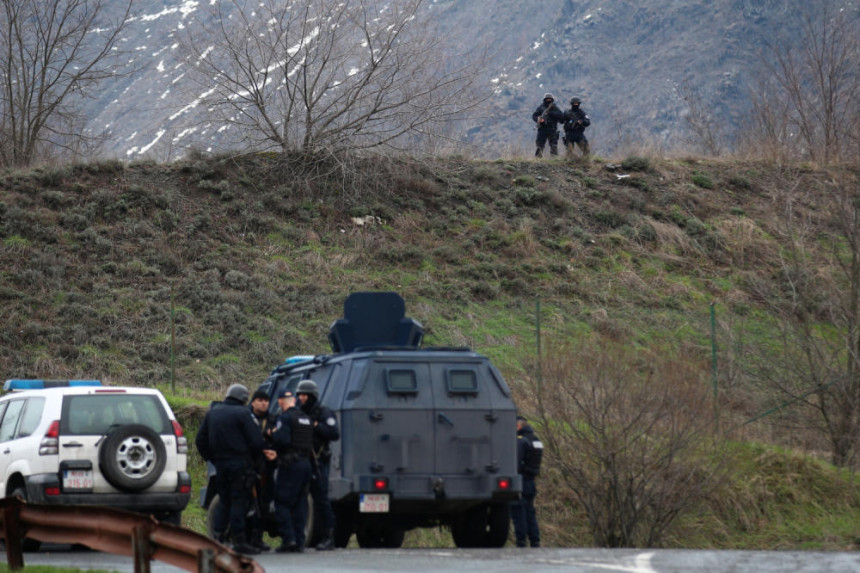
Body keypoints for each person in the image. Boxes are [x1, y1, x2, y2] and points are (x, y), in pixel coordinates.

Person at [195, 384, 266, 555]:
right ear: (243, 398)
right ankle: (239, 540)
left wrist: (212, 458)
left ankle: (218, 538)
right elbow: (257, 442)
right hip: (240, 466)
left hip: (220, 465)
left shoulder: (212, 413)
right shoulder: (243, 413)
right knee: (238, 502)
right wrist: (255, 461)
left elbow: (200, 440)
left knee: (224, 502)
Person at [296, 380, 340, 551]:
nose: (302, 398)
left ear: (312, 396)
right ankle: (298, 537)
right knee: (299, 499)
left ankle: (328, 537)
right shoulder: (298, 413)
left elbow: (334, 433)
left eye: (305, 395)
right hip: (300, 461)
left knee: (322, 500)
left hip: (317, 461)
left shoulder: (323, 413)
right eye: (300, 395)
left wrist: (316, 425)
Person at [270, 388, 314, 553]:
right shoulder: (306, 418)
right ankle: (300, 541)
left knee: (282, 502)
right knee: (300, 503)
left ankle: (289, 540)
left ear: (281, 401)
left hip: (290, 465)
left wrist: (272, 433)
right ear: (294, 401)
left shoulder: (285, 418)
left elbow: (282, 440)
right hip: (306, 465)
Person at [246, 389, 275, 552]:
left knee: (263, 505)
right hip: (250, 466)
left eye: (266, 400)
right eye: (260, 400)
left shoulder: (272, 419)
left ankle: (257, 538)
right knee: (249, 503)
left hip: (267, 468)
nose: (264, 403)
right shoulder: (247, 418)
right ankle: (246, 537)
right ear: (253, 402)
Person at [510, 414, 543, 548]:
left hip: (521, 481)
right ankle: (535, 541)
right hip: (531, 480)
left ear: (518, 426)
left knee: (518, 512)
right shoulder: (536, 440)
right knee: (530, 512)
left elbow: (515, 463)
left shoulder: (521, 441)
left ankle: (521, 541)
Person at [531, 93, 564, 157]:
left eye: (550, 99)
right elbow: (534, 115)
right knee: (540, 145)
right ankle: (538, 159)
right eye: (547, 99)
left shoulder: (555, 108)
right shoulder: (541, 107)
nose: (548, 100)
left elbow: (561, 116)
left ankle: (554, 159)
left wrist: (550, 113)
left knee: (553, 145)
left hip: (552, 129)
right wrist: (538, 119)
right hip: (542, 129)